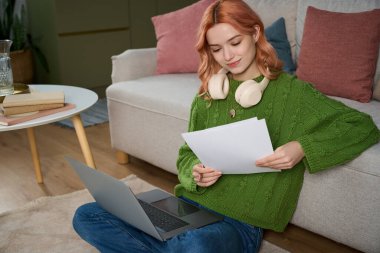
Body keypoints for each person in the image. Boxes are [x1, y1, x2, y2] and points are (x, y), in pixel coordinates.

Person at [72, 0, 380, 252]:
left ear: (255, 34)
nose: (228, 56)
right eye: (217, 49)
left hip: (236, 226)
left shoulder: (292, 93)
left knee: (195, 245)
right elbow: (184, 156)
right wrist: (194, 172)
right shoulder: (208, 94)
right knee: (88, 215)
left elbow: (362, 125)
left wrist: (302, 148)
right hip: (187, 208)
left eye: (235, 42)